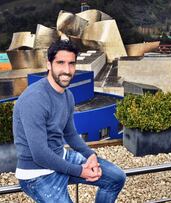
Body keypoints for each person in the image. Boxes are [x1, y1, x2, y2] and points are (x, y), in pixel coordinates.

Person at [13, 40, 126, 203]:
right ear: (49, 65)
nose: (67, 70)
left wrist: (90, 155)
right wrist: (80, 171)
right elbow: (40, 155)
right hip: (37, 174)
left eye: (71, 64)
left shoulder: (67, 95)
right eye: (60, 63)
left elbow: (70, 134)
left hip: (61, 158)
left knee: (116, 178)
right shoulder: (34, 99)